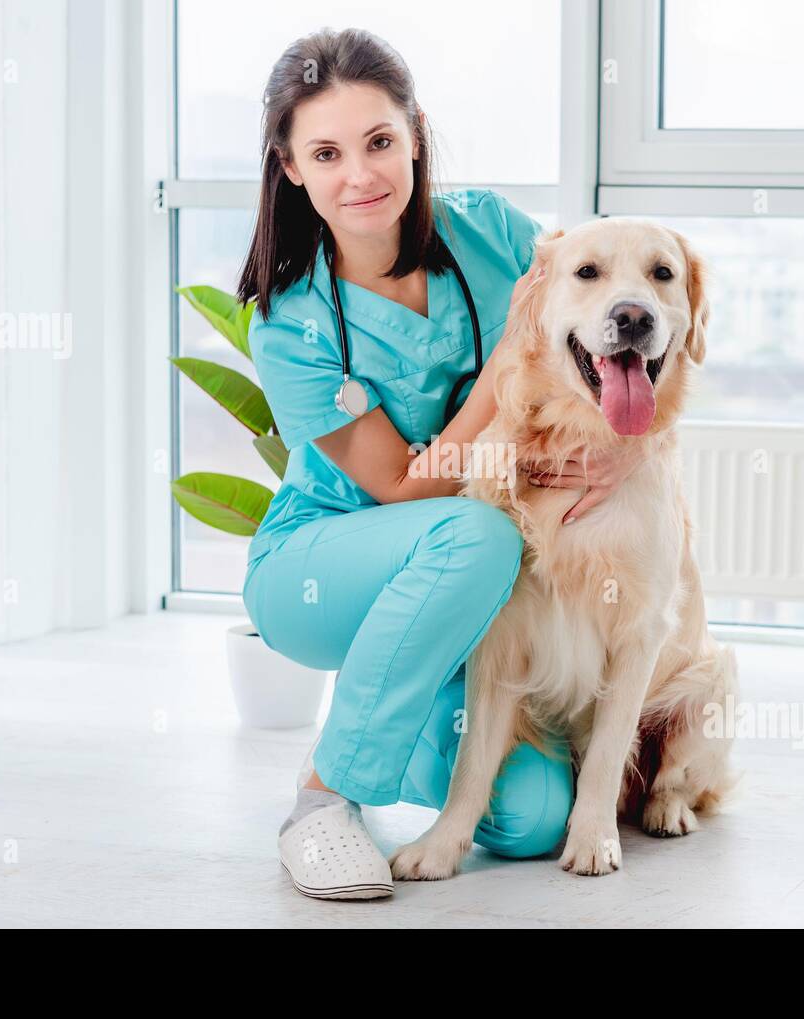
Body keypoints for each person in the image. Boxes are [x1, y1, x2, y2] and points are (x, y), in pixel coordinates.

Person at [237, 27, 641, 901]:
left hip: (464, 584)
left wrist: (621, 452)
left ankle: (388, 702)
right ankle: (320, 799)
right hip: (325, 562)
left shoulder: (492, 234)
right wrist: (500, 376)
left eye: (381, 141)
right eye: (328, 152)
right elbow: (400, 483)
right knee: (478, 532)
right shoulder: (290, 323)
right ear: (292, 165)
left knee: (529, 819)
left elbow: (598, 318)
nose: (362, 175)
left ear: (415, 133)